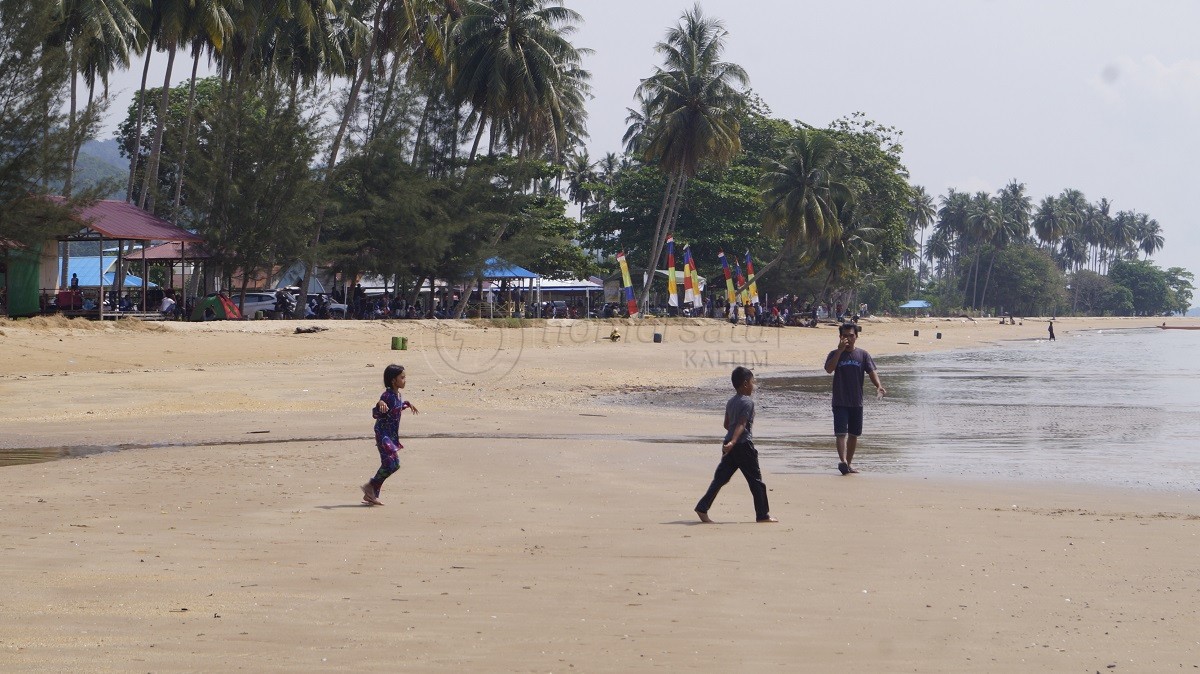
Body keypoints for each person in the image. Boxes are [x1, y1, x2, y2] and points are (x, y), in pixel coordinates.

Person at [694, 366, 777, 523]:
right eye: (753, 382)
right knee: (756, 482)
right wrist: (734, 441)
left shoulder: (731, 402)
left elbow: (727, 424)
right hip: (743, 445)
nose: (754, 385)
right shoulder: (748, 403)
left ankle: (702, 507)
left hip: (729, 444)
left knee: (720, 479)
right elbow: (741, 424)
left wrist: (730, 440)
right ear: (745, 384)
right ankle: (762, 514)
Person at [824, 322, 885, 475]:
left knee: (853, 434)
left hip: (856, 402)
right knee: (840, 433)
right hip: (840, 401)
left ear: (856, 337)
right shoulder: (834, 354)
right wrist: (839, 351)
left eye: (851, 335)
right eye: (845, 336)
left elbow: (872, 372)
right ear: (840, 337)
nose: (848, 339)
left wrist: (878, 386)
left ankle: (848, 465)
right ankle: (843, 461)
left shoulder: (863, 355)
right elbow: (829, 370)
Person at [361, 364, 419, 505]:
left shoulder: (398, 395)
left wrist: (407, 404)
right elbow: (376, 412)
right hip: (383, 434)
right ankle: (371, 488)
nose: (405, 380)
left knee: (394, 464)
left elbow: (396, 407)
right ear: (394, 380)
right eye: (402, 377)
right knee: (390, 463)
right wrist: (379, 403)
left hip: (391, 436)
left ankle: (371, 493)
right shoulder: (386, 395)